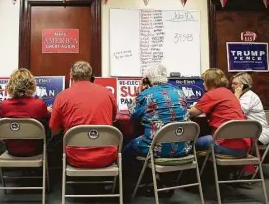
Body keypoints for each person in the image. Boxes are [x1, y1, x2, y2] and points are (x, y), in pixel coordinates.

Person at [122, 64, 190, 195]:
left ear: (146, 79)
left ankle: (127, 188)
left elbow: (134, 115)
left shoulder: (146, 95)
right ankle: (166, 182)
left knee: (127, 147)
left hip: (155, 148)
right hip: (183, 147)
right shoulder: (179, 92)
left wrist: (140, 91)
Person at [49, 61, 117, 168]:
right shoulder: (108, 93)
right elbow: (112, 119)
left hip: (75, 157)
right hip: (107, 155)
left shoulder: (62, 96)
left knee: (53, 145)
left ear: (71, 75)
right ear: (91, 75)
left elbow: (54, 130)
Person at [189, 68, 250, 156]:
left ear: (210, 82)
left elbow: (192, 113)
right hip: (244, 148)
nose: (203, 84)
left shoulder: (212, 94)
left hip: (226, 146)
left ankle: (187, 169)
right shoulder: (229, 93)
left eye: (204, 81)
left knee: (187, 145)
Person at [0, 68, 50, 157]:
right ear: (31, 84)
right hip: (36, 150)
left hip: (12, 150)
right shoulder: (39, 104)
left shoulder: (4, 105)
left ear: (11, 85)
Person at [231, 72, 269, 145]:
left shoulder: (248, 96)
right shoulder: (243, 96)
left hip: (259, 134)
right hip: (249, 133)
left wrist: (236, 96)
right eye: (232, 83)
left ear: (244, 85)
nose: (232, 86)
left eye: (235, 84)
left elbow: (237, 113)